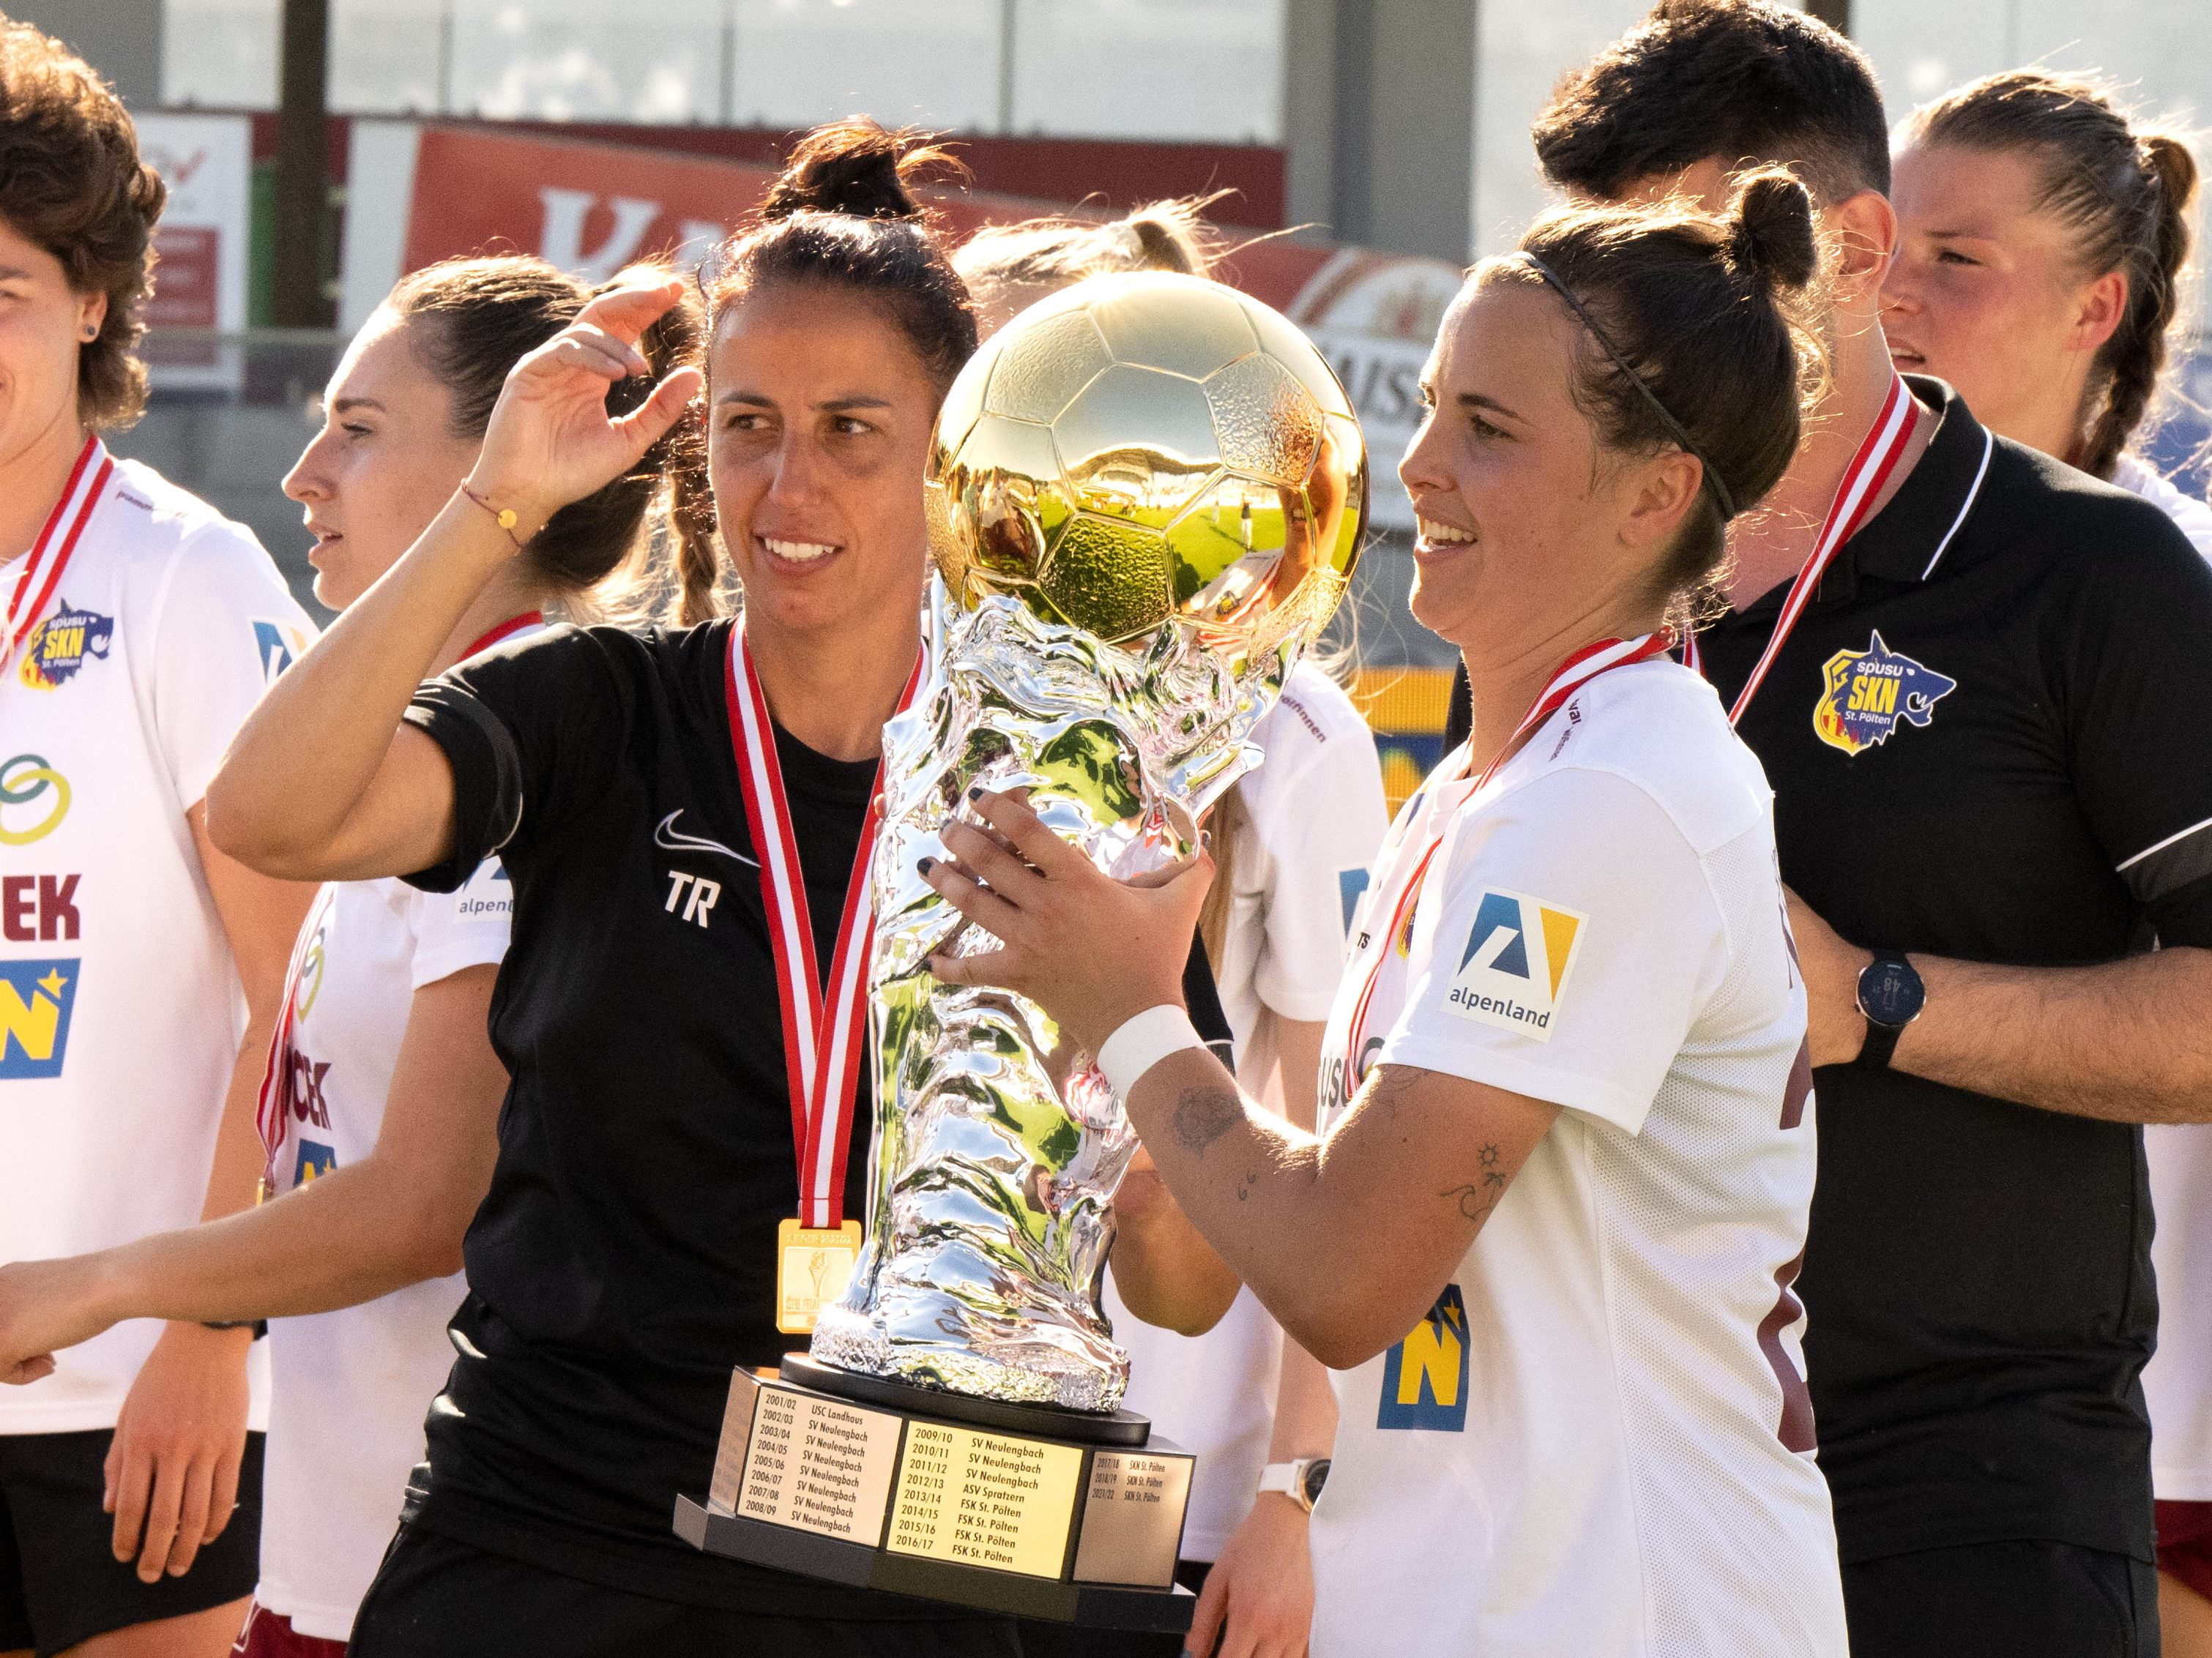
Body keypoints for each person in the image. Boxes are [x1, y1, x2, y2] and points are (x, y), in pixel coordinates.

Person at [922, 174, 1847, 1657]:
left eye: (1487, 429)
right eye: (1425, 406)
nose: (1412, 464)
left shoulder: (1609, 796)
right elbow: (1259, 1255)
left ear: (1652, 493)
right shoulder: (1490, 792)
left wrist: (1134, 1010)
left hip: (1621, 1614)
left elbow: (1349, 1270)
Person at [195, 122, 1019, 1657]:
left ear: (948, 455)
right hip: (542, 1548)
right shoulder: (601, 709)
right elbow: (269, 810)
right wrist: (491, 501)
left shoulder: (1034, 786)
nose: (789, 479)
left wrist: (1133, 1008)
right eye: (750, 422)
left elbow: (1172, 1280)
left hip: (896, 1579)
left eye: (853, 428)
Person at [1533, 5, 2212, 1653]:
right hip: (1608, 1477)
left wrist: (1881, 1001)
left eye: (1690, 254)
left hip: (1958, 1492)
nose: (1633, 323)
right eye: (1590, 269)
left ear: (1853, 248)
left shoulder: (2091, 574)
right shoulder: (1578, 568)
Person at [0, 254, 710, 1657]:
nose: (303, 471)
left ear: (514, 454)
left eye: (361, 428)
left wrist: (115, 1293)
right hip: (339, 1550)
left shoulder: (522, 766)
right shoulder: (406, 765)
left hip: (457, 1557)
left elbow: (420, 1202)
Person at [956, 204, 1390, 1658]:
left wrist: (1292, 1491)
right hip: (918, 1442)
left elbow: (1339, 1132)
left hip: (1169, 1475)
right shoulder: (909, 694)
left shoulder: (1290, 728)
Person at [0, 20, 319, 1658]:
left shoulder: (185, 580)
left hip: (130, 1397)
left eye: (2, 297)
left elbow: (300, 997)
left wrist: (212, 1320)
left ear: (94, 305)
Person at [1884, 74, 2212, 1654]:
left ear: (2097, 302)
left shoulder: (2159, 580)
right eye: (1881, 247)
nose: (1891, 295)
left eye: (1956, 259)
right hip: (1825, 1411)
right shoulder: (1804, 585)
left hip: (2136, 1431)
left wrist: (1879, 998)